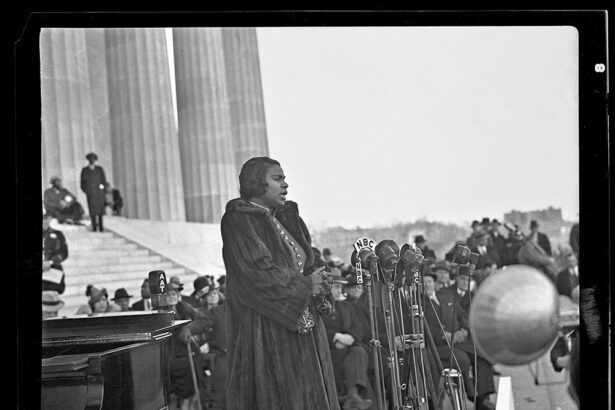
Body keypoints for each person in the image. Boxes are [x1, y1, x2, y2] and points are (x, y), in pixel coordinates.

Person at [220, 156, 338, 409]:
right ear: (256, 182)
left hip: (305, 330)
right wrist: (306, 285)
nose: (285, 185)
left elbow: (309, 260)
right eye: (277, 178)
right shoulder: (239, 219)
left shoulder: (285, 218)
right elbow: (255, 274)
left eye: (284, 178)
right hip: (269, 334)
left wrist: (320, 278)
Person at [422, 271, 496, 410]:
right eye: (424, 282)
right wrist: (443, 335)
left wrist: (464, 330)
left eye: (430, 281)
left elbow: (462, 316)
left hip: (459, 339)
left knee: (482, 356)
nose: (427, 285)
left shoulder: (445, 296)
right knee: (461, 359)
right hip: (439, 344)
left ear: (435, 284)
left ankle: (483, 398)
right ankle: (471, 393)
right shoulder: (418, 302)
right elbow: (422, 327)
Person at [323, 273, 372, 410]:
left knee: (359, 351)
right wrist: (336, 337)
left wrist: (350, 337)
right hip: (329, 348)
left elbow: (358, 328)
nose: (340, 291)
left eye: (340, 287)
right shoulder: (318, 308)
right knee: (353, 357)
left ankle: (352, 394)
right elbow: (316, 329)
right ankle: (352, 397)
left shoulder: (346, 306)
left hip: (349, 347)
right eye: (336, 287)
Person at [166, 281, 206, 410]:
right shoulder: (159, 313)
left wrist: (190, 329)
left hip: (188, 356)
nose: (171, 297)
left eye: (174, 294)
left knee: (192, 394)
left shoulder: (185, 307)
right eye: (168, 294)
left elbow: (200, 321)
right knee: (180, 396)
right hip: (172, 358)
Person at [193, 276, 227, 410]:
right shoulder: (199, 314)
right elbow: (199, 337)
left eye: (214, 293)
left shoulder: (225, 310)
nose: (213, 297)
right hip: (208, 358)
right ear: (203, 298)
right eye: (208, 295)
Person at [80, 152, 107, 232]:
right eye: (90, 159)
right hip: (91, 194)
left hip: (99, 193)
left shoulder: (99, 169)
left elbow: (103, 180)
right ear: (88, 160)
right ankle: (94, 227)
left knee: (100, 211)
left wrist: (102, 189)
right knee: (92, 211)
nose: (92, 160)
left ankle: (101, 228)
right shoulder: (85, 170)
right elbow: (82, 183)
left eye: (93, 159)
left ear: (95, 160)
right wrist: (86, 190)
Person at [43, 212, 68, 294]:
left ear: (49, 219)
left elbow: (64, 253)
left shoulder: (58, 234)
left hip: (52, 272)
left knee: (51, 299)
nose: (44, 221)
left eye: (45, 218)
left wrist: (50, 262)